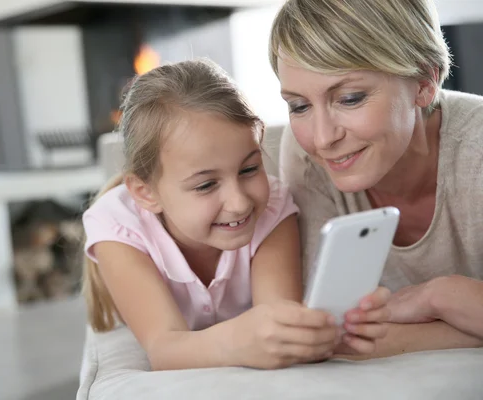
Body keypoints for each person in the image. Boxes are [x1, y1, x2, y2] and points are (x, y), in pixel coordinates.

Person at [81, 59, 389, 370]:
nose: (239, 202)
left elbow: (277, 320)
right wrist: (235, 343)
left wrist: (320, 334)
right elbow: (165, 349)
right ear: (146, 193)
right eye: (206, 185)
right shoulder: (117, 224)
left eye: (250, 169)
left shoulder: (272, 206)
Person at [269, 0, 483, 359]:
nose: (323, 138)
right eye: (299, 106)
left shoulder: (475, 153)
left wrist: (441, 296)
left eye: (350, 99)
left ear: (424, 81)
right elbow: (331, 336)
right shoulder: (307, 156)